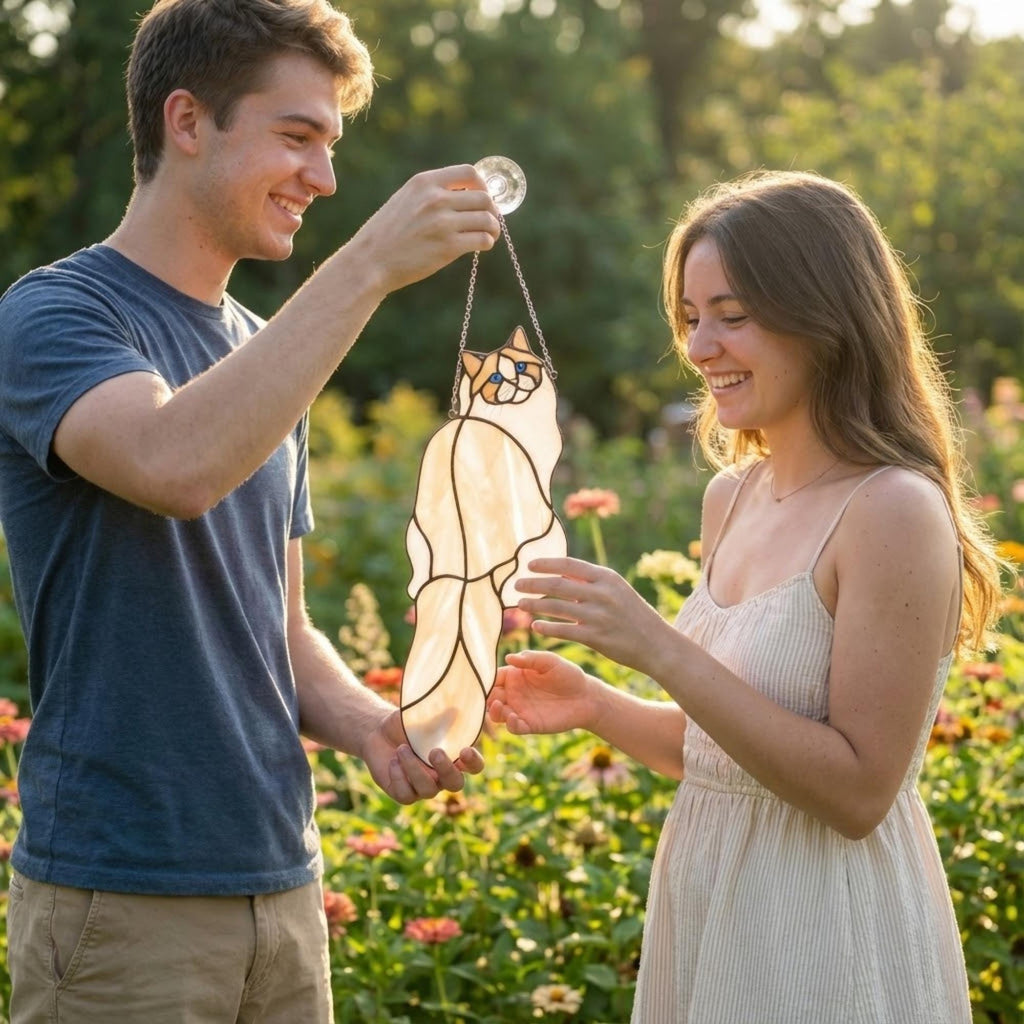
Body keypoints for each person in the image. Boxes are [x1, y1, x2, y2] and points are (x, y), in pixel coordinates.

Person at [0, 1, 501, 1020]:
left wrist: (374, 728)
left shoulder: (267, 346)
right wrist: (365, 267)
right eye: (296, 136)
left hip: (281, 886)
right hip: (120, 899)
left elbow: (282, 627)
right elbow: (173, 461)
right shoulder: (54, 315)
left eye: (332, 146)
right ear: (187, 122)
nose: (322, 178)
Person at [488, 170, 1003, 1024]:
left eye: (733, 315)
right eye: (691, 319)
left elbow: (857, 792)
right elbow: (727, 757)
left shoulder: (892, 510)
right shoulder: (731, 498)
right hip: (713, 905)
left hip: (825, 934)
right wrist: (596, 705)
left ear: (826, 317)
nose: (699, 348)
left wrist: (657, 646)